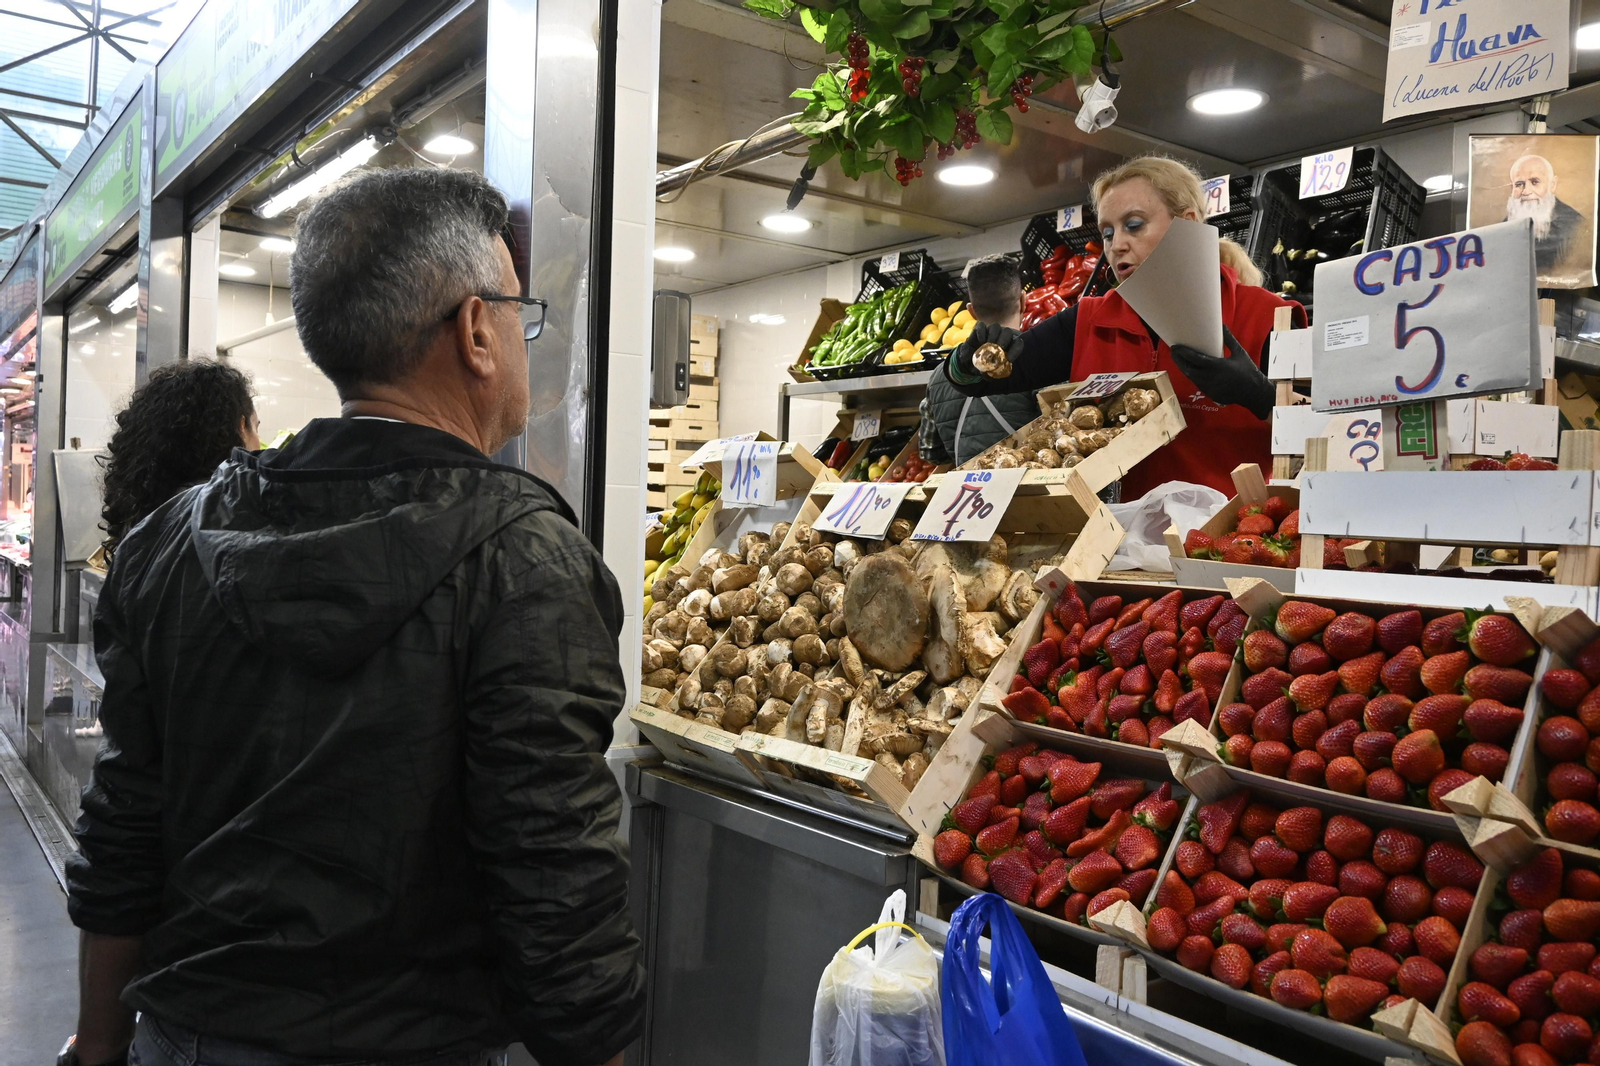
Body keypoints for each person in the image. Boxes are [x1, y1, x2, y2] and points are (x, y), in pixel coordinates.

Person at [63, 168, 643, 1066]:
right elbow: (557, 889)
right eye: (521, 317)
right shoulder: (526, 561)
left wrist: (95, 1045)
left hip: (183, 1039)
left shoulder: (167, 543)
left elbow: (124, 826)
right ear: (477, 330)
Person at [944, 156, 1306, 499]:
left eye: (1134, 225)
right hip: (1116, 549)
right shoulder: (1087, 321)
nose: (1116, 245)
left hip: (1230, 544)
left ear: (1189, 224)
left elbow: (1324, 440)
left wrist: (1261, 397)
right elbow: (979, 382)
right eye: (1106, 232)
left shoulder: (1270, 315)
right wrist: (968, 359)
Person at [97, 359, 260, 564]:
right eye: (256, 427)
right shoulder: (226, 514)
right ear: (241, 428)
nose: (259, 445)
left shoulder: (148, 504)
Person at [919, 254, 1044, 466]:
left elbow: (931, 452)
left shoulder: (940, 375)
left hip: (971, 493)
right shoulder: (1041, 358)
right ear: (1023, 301)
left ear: (971, 311)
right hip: (1031, 491)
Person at [1503, 153, 1586, 273]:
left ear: (1552, 185)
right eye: (1519, 184)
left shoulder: (1576, 226)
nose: (1526, 191)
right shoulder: (1506, 225)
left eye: (1535, 182)